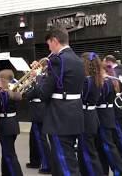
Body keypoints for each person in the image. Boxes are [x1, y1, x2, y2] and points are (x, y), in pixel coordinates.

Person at [33, 26, 84, 175]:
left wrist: (38, 78)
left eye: (48, 43)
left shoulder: (57, 61)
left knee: (64, 163)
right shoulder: (77, 59)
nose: (48, 47)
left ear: (55, 41)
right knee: (64, 160)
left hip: (59, 117)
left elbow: (44, 93)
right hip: (74, 113)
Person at [96, 67, 122, 176]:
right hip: (105, 115)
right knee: (102, 148)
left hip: (104, 116)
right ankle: (104, 171)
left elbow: (99, 98)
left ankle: (120, 172)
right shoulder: (109, 81)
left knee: (108, 146)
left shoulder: (105, 82)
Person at [104, 55, 122, 167]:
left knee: (120, 134)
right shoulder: (120, 70)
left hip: (117, 107)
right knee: (119, 134)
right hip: (120, 107)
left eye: (104, 62)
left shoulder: (116, 71)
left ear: (108, 62)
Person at [77, 52, 104, 176]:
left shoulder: (87, 81)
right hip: (92, 116)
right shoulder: (97, 79)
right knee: (87, 152)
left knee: (88, 154)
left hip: (86, 118)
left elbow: (80, 98)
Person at [0, 69, 23, 176]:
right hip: (13, 123)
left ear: (2, 80)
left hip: (5, 125)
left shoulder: (3, 94)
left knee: (9, 154)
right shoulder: (16, 91)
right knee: (6, 152)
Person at [23, 68, 51, 174]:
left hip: (39, 111)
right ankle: (35, 161)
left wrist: (27, 87)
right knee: (33, 138)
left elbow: (31, 94)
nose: (32, 70)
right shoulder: (38, 79)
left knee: (40, 139)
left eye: (35, 67)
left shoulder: (43, 78)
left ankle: (47, 165)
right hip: (36, 110)